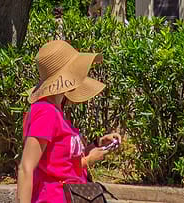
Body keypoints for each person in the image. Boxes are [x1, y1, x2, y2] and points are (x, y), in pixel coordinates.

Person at [17, 40, 122, 203]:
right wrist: (89, 159)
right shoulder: (45, 112)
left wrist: (97, 144)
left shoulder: (56, 111)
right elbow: (26, 167)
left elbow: (63, 161)